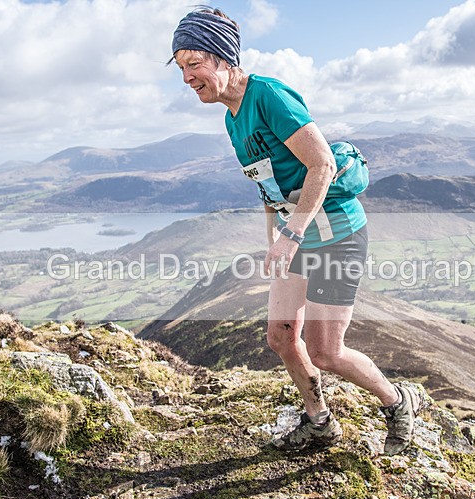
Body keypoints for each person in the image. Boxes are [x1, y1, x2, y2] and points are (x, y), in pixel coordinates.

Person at [171, 8, 427, 455]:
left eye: (194, 64)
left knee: (327, 351)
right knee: (281, 337)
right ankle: (320, 422)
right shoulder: (232, 118)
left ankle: (398, 400)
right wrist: (275, 238)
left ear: (223, 57)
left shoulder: (268, 95)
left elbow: (322, 164)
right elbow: (268, 186)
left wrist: (291, 234)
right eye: (181, 69)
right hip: (297, 236)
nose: (188, 78)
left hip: (336, 236)